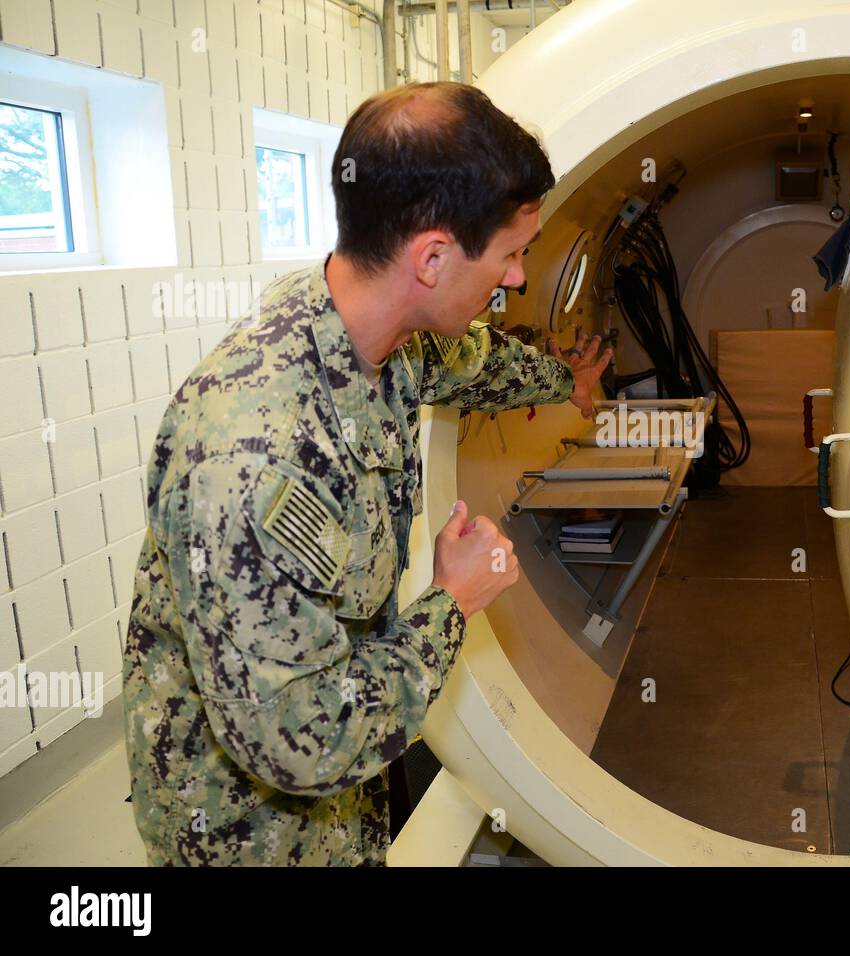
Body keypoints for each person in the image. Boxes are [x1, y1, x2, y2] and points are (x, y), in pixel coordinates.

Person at [122, 81, 611, 865]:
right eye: (512, 255)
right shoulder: (252, 455)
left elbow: (476, 365)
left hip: (343, 812)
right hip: (254, 834)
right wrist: (453, 600)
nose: (518, 279)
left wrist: (566, 383)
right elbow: (302, 742)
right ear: (433, 257)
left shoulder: (376, 331)